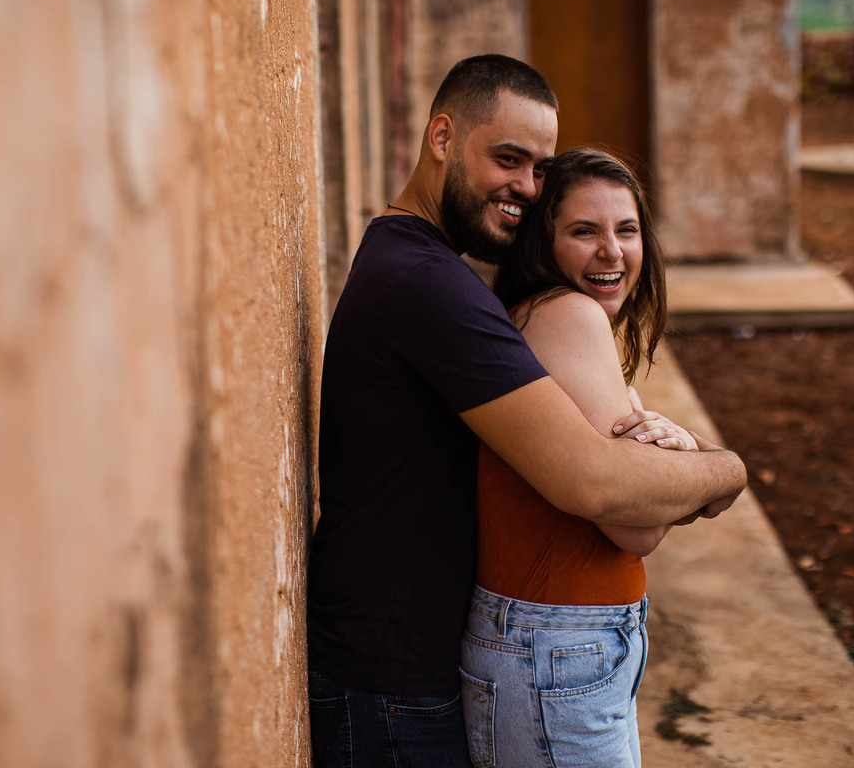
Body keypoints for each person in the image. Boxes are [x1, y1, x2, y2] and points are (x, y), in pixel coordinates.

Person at [307, 55, 746, 768]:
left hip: (397, 662)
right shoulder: (429, 285)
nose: (526, 188)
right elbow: (595, 485)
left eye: (539, 168)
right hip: (385, 680)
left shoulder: (415, 262)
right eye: (508, 158)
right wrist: (724, 471)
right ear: (441, 138)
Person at [461, 148, 692, 767]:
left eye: (627, 229)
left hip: (560, 648)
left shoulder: (539, 318)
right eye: (583, 231)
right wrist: (686, 464)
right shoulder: (567, 315)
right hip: (556, 646)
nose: (612, 252)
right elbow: (633, 525)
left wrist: (652, 469)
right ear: (543, 242)